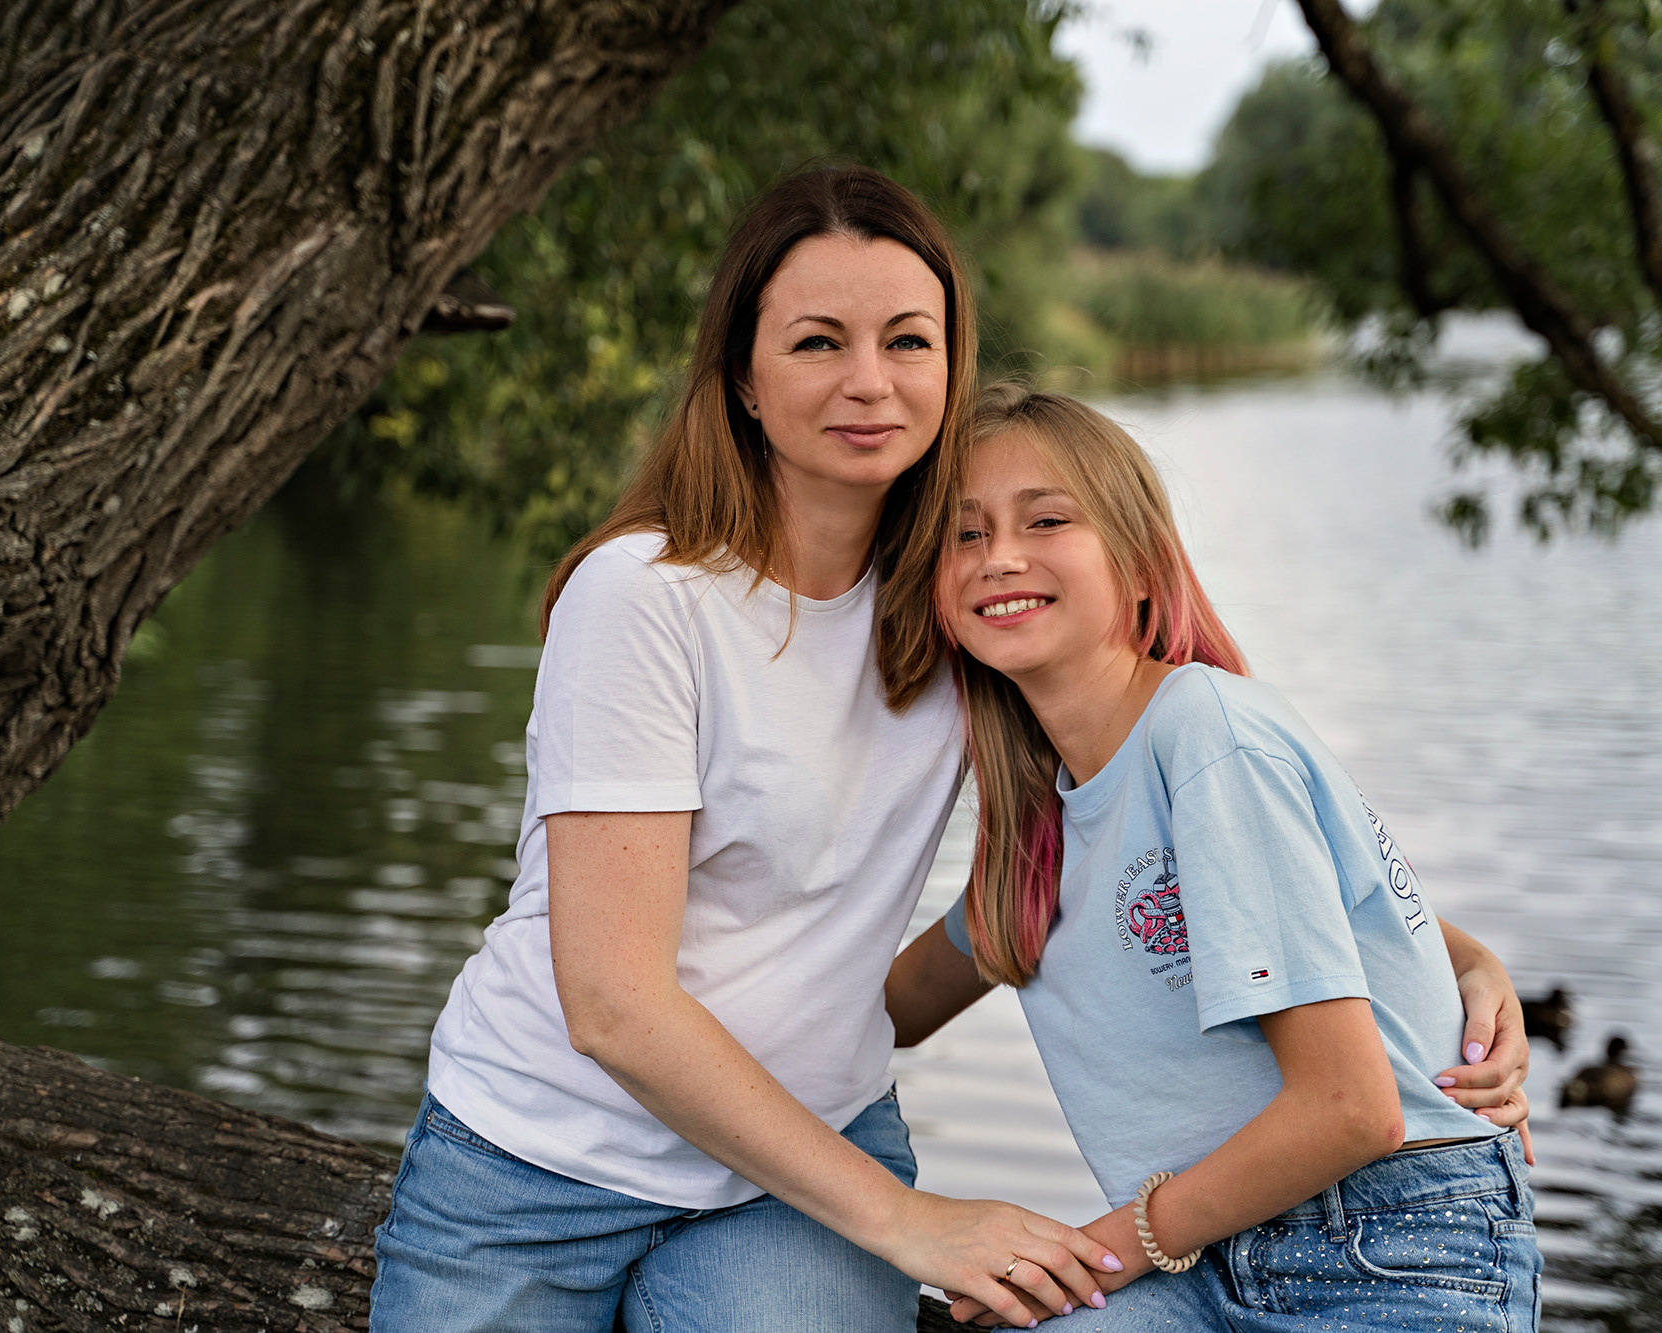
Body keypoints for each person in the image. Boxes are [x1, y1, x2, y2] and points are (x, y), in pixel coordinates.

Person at [371, 166, 1531, 1332]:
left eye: (906, 340)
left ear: (949, 363)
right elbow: (614, 1002)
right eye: (816, 342)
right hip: (551, 1152)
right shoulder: (656, 597)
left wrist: (1465, 975)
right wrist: (914, 1222)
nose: (868, 381)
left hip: (815, 1173)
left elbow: (1261, 853)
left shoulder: (956, 617)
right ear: (743, 379)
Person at [888, 385, 1542, 1330]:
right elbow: (887, 1011)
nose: (1001, 556)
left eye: (1047, 520)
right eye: (963, 534)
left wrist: (1077, 1260)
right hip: (1204, 1256)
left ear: (1140, 565)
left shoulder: (1202, 732)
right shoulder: (1038, 842)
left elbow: (1354, 1107)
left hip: (1383, 1246)